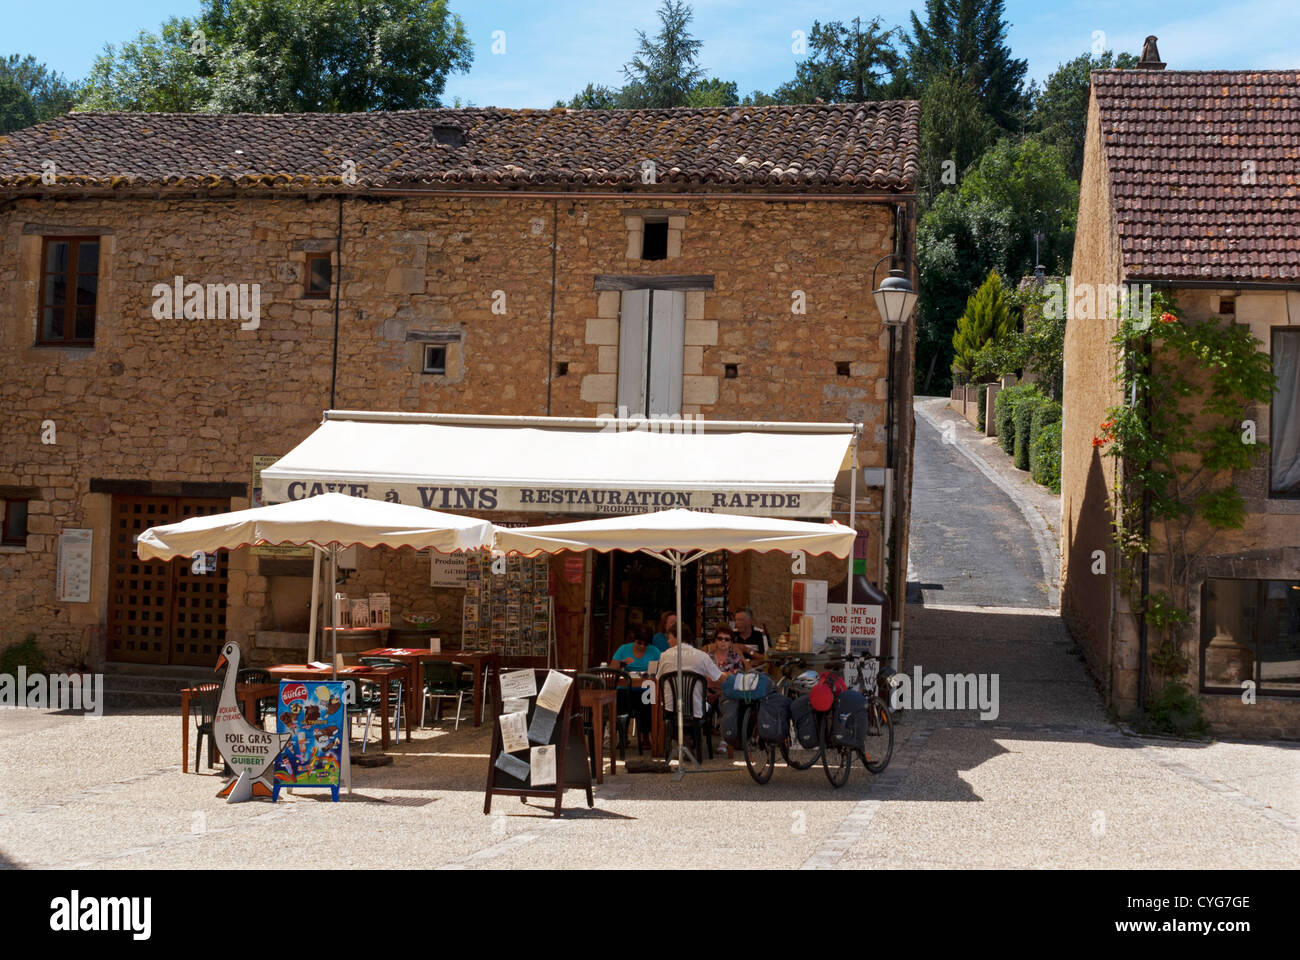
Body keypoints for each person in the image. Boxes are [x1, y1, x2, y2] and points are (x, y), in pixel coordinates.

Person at [652, 622, 722, 719]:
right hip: (696, 708)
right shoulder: (702, 656)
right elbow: (717, 677)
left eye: (670, 638)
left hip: (671, 708)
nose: (668, 641)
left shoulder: (664, 655)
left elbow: (658, 679)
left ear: (678, 637)